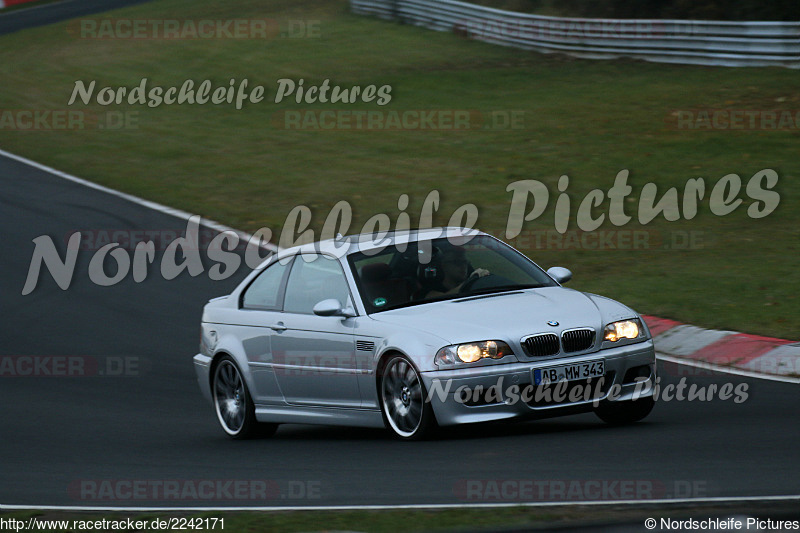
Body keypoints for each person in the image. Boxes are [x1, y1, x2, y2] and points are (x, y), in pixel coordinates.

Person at [422, 245, 489, 298]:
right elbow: (442, 298)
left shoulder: (473, 286)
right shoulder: (431, 289)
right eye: (457, 262)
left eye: (465, 262)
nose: (463, 266)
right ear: (444, 265)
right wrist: (471, 280)